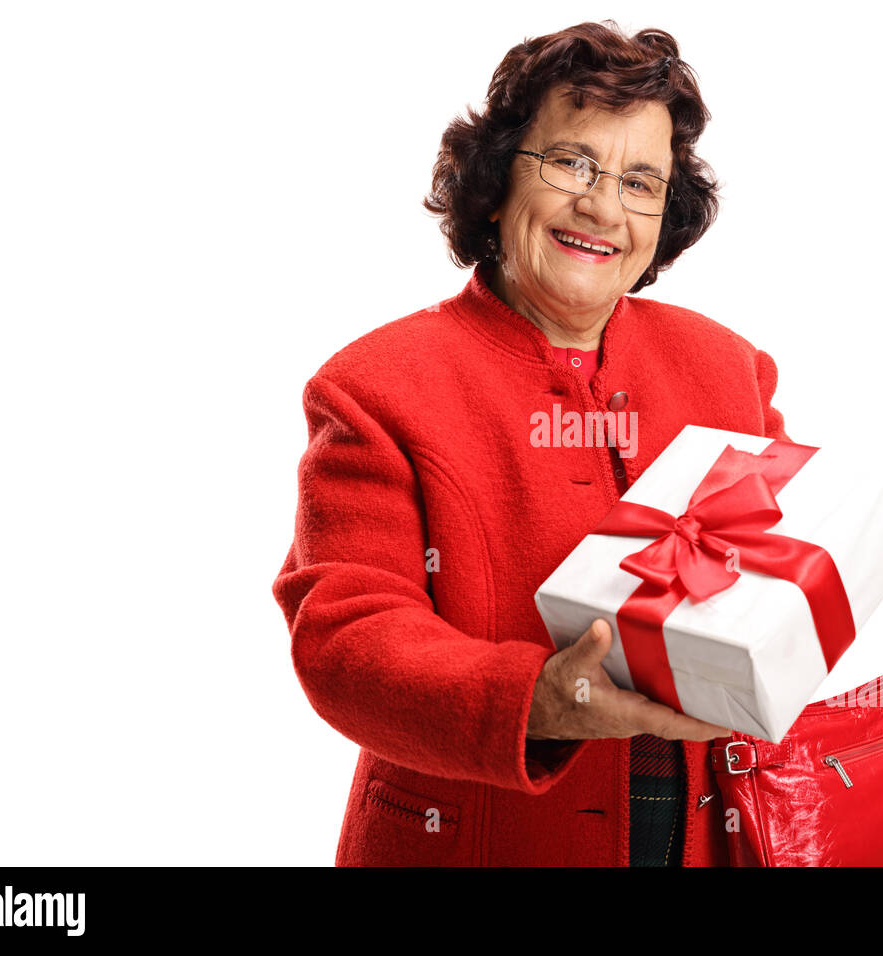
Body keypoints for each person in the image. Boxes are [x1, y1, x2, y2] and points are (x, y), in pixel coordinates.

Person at [272, 20, 788, 866]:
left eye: (641, 180)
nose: (602, 206)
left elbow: (784, 567)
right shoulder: (375, 386)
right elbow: (345, 638)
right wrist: (537, 700)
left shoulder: (730, 366)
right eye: (571, 162)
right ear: (498, 178)